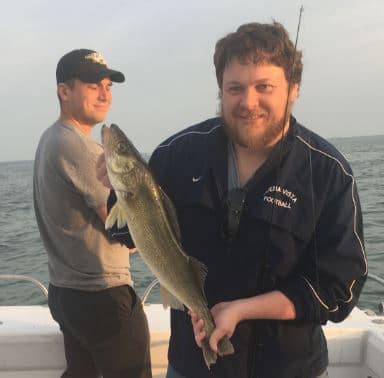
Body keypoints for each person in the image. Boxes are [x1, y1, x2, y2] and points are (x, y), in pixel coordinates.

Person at [98, 22, 367, 378]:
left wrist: (243, 309)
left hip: (289, 369)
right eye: (235, 88)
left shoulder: (328, 173)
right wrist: (116, 188)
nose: (248, 102)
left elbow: (338, 289)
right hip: (191, 365)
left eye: (264, 87)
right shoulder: (175, 155)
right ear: (221, 91)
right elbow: (126, 236)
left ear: (294, 89)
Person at [33, 49, 151, 378]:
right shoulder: (81, 148)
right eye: (92, 84)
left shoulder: (49, 139)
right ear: (64, 91)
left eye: (108, 86)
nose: (104, 94)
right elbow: (127, 235)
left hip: (67, 294)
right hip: (103, 298)